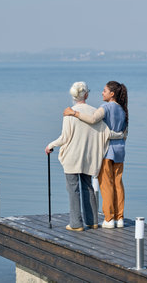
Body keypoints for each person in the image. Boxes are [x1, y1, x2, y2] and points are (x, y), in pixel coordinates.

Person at [45, 81, 125, 232]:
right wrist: (121, 135)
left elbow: (64, 138)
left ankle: (76, 223)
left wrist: (50, 145)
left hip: (72, 158)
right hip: (89, 157)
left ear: (73, 95)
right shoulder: (95, 111)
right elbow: (105, 133)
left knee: (73, 189)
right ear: (86, 94)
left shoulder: (70, 112)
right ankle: (92, 221)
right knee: (88, 187)